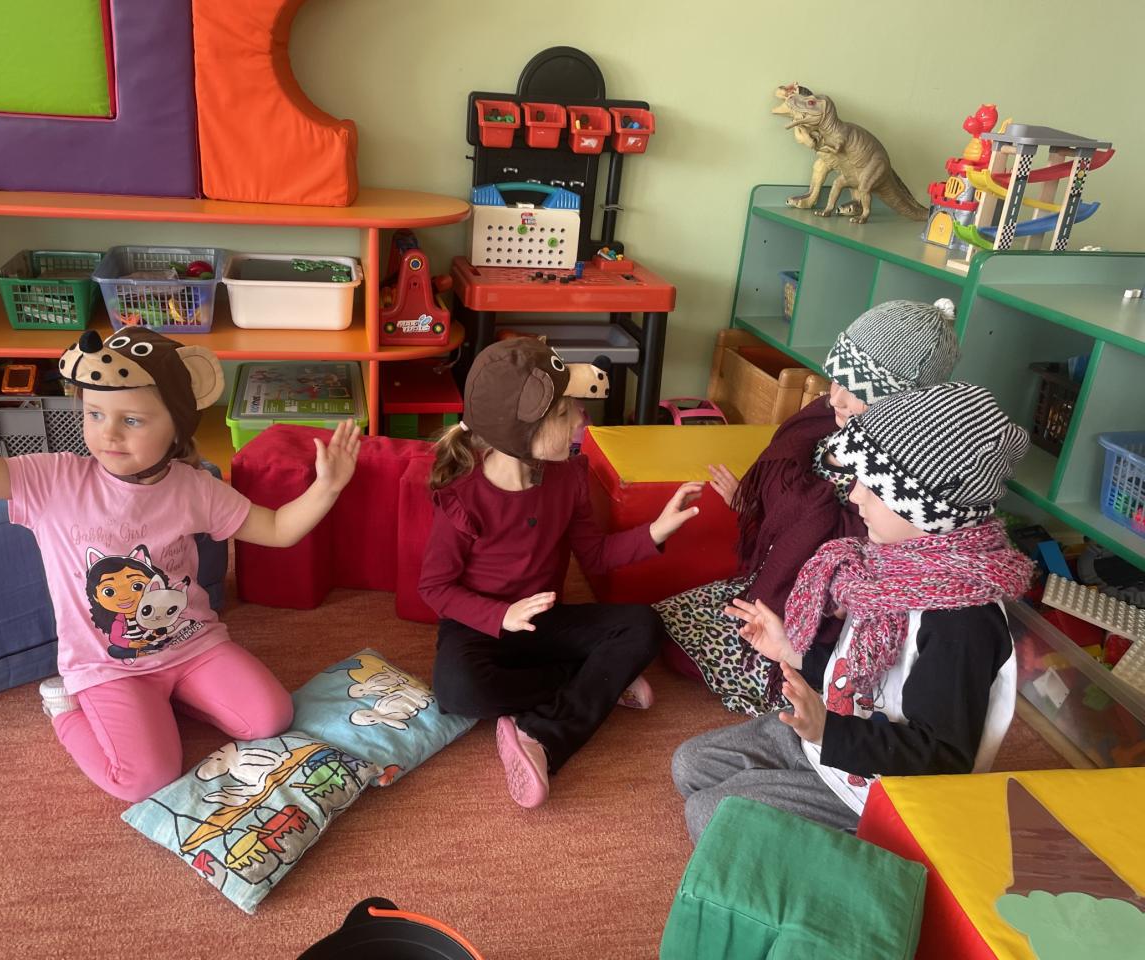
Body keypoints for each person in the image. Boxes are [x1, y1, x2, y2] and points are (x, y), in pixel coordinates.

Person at [0, 289, 360, 802]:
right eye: (94, 415)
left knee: (271, 718)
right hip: (106, 666)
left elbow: (279, 529)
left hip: (192, 645)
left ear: (176, 428)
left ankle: (171, 704)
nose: (108, 434)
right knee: (143, 780)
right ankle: (65, 711)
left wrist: (328, 487)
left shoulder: (194, 486)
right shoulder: (53, 479)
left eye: (131, 420)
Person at [672, 381, 1033, 838]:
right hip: (835, 734)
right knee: (690, 764)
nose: (856, 495)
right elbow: (856, 672)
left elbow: (942, 755)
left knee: (710, 813)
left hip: (881, 791)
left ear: (927, 509)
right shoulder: (885, 566)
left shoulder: (962, 619)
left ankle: (863, 854)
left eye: (874, 487)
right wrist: (791, 651)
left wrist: (827, 732)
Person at [418, 338, 702, 808]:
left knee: (644, 625)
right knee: (457, 690)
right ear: (523, 429)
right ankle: (593, 683)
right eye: (565, 413)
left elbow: (596, 555)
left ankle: (544, 730)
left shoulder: (568, 476)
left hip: (547, 621)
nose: (580, 421)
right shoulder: (463, 496)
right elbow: (435, 587)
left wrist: (655, 530)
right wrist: (501, 616)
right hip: (480, 626)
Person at [654, 299, 961, 715]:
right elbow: (788, 499)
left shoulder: (896, 471)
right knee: (666, 624)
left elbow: (867, 552)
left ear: (897, 407)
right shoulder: (823, 419)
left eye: (857, 392)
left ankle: (804, 680)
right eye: (836, 380)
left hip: (819, 615)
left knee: (711, 655)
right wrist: (752, 504)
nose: (836, 397)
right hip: (776, 575)